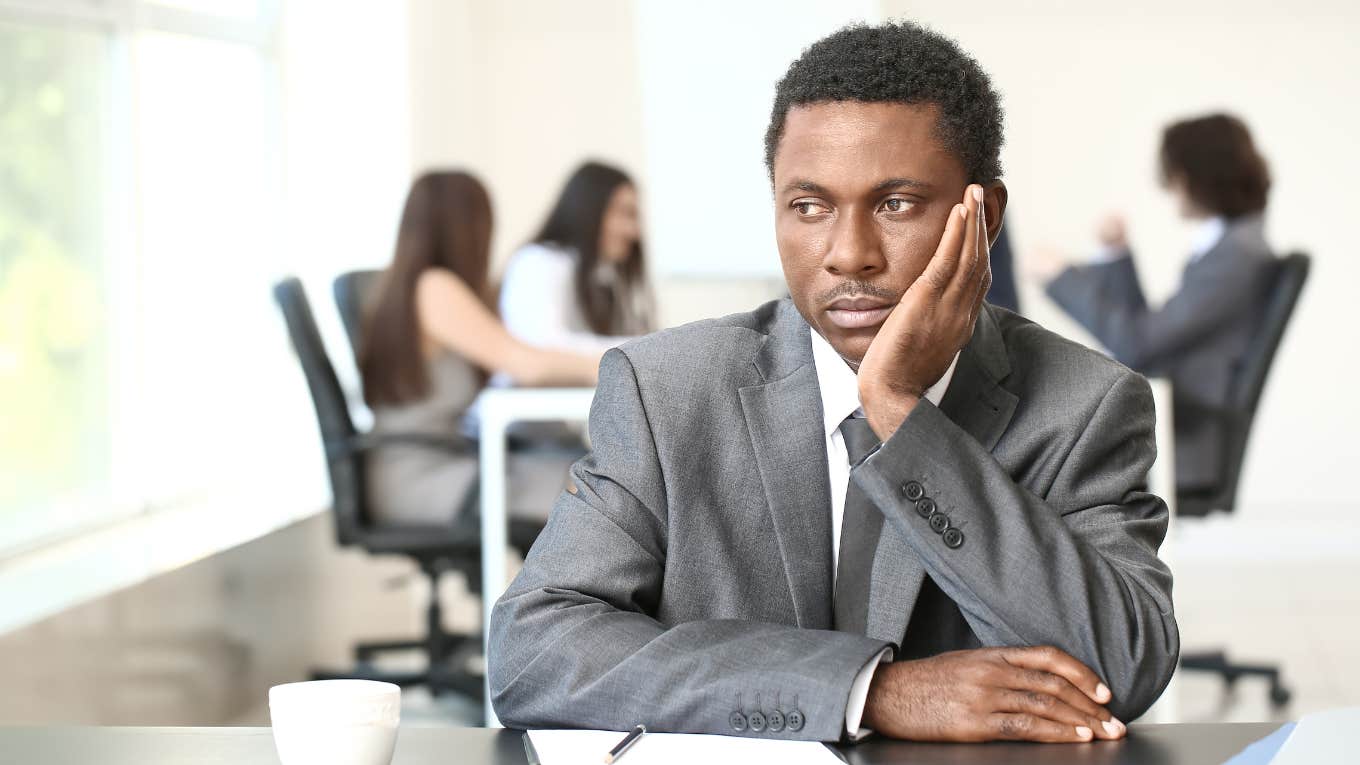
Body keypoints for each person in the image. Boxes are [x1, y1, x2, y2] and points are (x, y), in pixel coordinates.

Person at [489, 22, 1177, 745]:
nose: (850, 255)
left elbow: (1120, 666)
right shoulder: (668, 391)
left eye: (896, 204)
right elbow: (533, 651)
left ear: (985, 217)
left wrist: (901, 413)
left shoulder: (1084, 404)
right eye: (809, 207)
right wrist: (865, 690)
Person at [1034, 114, 1276, 493]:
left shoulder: (1234, 257)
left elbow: (1136, 345)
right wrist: (1115, 255)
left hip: (1183, 435)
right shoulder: (1234, 246)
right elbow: (1148, 338)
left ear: (1196, 176)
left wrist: (1062, 279)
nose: (1170, 187)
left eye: (1174, 175)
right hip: (1172, 420)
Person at [359, 171, 601, 525]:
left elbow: (519, 363)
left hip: (432, 464)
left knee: (578, 471)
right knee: (596, 490)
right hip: (423, 477)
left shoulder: (409, 286)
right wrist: (623, 361)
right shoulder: (435, 288)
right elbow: (525, 364)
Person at [498, 161, 655, 355]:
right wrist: (644, 349)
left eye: (634, 216)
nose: (633, 231)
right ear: (588, 209)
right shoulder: (538, 262)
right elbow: (542, 346)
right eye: (624, 213)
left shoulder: (608, 275)